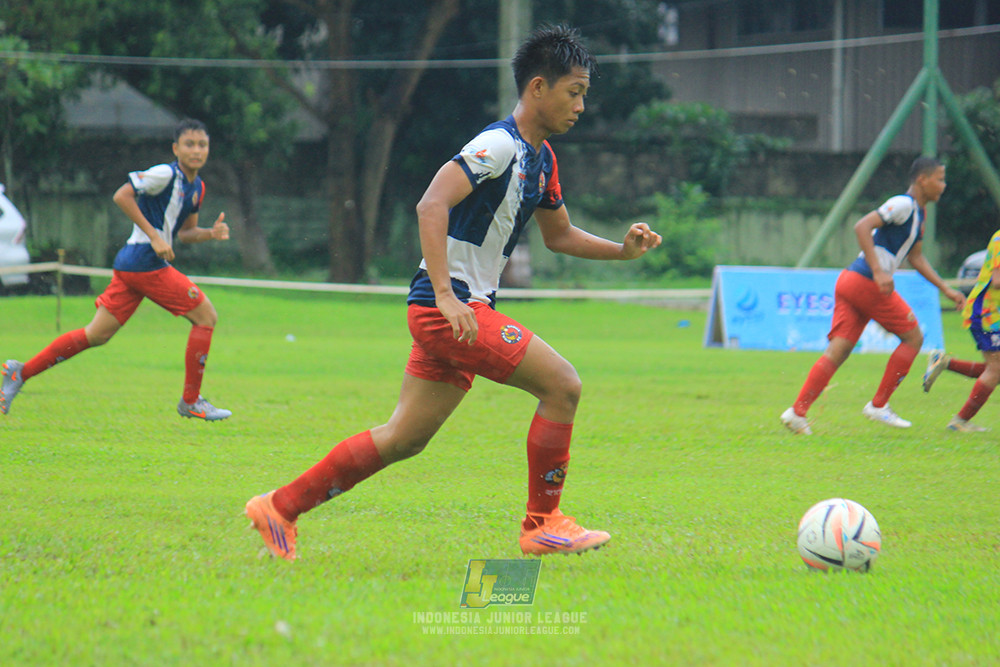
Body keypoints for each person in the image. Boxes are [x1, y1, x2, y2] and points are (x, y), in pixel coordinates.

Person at [245, 25, 662, 561]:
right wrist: (446, 294)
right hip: (450, 309)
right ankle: (543, 524)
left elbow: (559, 236)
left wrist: (622, 251)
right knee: (563, 386)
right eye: (574, 91)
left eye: (583, 93)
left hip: (459, 311)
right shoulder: (498, 145)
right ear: (538, 87)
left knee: (403, 438)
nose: (581, 104)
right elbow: (431, 205)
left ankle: (279, 507)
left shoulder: (542, 159)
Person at [0, 118, 232, 421]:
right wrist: (153, 236)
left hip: (131, 265)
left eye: (202, 145)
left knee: (96, 334)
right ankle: (191, 402)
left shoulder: (196, 187)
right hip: (144, 261)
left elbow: (186, 232)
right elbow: (122, 195)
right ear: (176, 148)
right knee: (206, 316)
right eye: (189, 144)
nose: (196, 150)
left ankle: (20, 372)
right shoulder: (165, 174)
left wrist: (209, 234)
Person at [780, 156, 965, 435]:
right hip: (865, 280)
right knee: (913, 337)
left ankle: (797, 412)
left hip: (852, 281)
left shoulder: (919, 215)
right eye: (939, 178)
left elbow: (916, 258)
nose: (944, 184)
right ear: (922, 180)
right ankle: (879, 405)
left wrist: (946, 288)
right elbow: (862, 226)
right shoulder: (903, 204)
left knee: (838, 351)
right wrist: (879, 271)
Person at [921, 228, 1000, 432]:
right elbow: (998, 281)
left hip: (993, 313)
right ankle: (960, 421)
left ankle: (944, 362)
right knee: (996, 369)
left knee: (996, 368)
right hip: (989, 314)